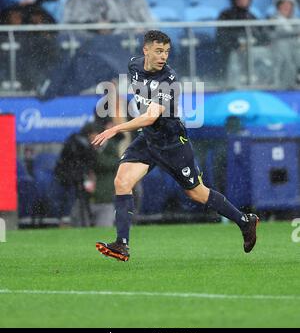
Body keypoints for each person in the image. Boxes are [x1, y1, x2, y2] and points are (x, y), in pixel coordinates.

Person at [92, 30, 259, 261]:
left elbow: (151, 116)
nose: (163, 56)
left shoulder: (168, 80)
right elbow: (140, 107)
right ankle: (122, 244)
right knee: (122, 181)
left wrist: (115, 128)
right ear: (146, 50)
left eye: (167, 52)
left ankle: (244, 220)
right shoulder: (133, 66)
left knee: (197, 193)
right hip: (148, 140)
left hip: (172, 143)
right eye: (159, 51)